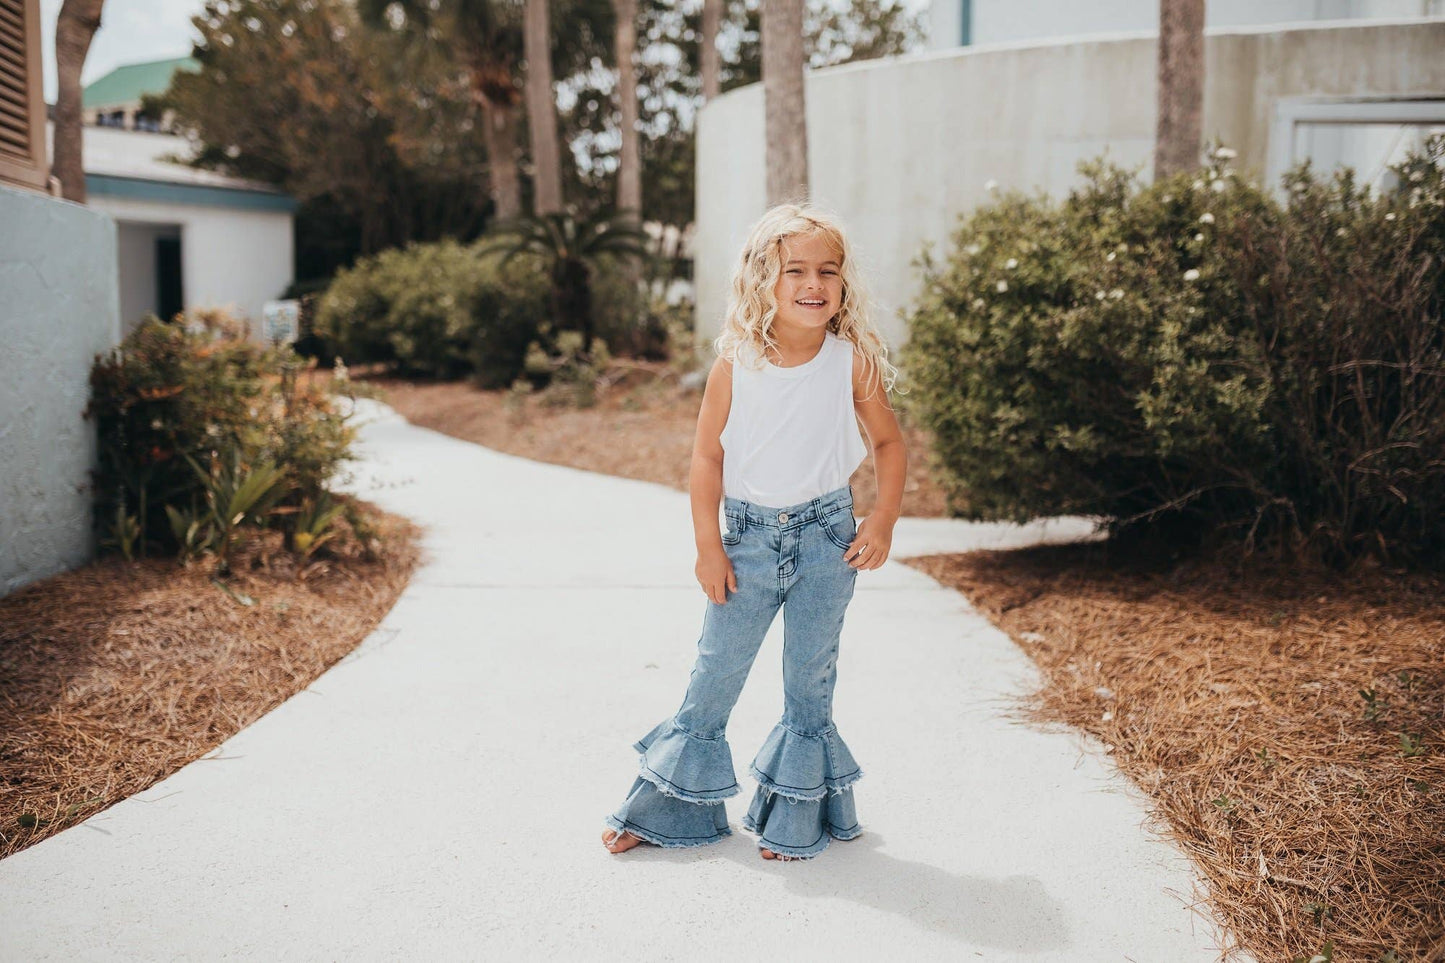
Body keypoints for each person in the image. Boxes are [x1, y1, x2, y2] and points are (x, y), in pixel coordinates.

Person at [601, 202, 906, 861]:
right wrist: (708, 546)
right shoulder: (735, 364)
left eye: (828, 270)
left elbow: (888, 442)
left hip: (828, 540)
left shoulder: (851, 361)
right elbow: (706, 456)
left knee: (809, 677)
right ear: (762, 278)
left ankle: (795, 819)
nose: (813, 283)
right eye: (794, 269)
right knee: (715, 673)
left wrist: (880, 519)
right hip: (744, 543)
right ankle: (662, 810)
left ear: (843, 283)